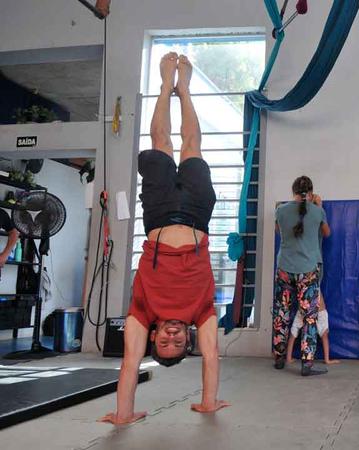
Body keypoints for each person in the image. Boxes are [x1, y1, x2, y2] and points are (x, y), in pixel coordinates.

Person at [100, 53, 227, 424]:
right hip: (196, 214)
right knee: (191, 145)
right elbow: (213, 357)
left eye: (164, 343)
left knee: (159, 140)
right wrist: (208, 402)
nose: (171, 337)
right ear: (189, 340)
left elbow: (128, 363)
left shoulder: (142, 314)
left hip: (157, 214)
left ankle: (163, 86)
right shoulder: (201, 314)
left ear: (153, 337)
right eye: (178, 343)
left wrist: (123, 414)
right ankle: (184, 89)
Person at [273, 176, 331, 376]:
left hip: (284, 268)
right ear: (311, 192)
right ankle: (307, 364)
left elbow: (277, 230)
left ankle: (279, 358)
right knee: (309, 317)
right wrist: (318, 206)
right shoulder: (317, 212)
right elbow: (326, 233)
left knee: (282, 313)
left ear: (293, 191)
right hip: (307, 270)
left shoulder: (281, 210)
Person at [286, 293, 340, 365]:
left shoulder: (312, 283)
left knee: (324, 334)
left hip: (318, 310)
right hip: (306, 309)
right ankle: (288, 358)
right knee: (294, 332)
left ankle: (327, 359)